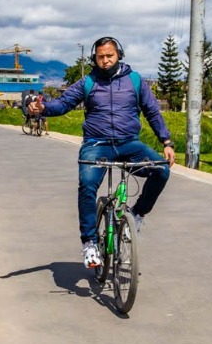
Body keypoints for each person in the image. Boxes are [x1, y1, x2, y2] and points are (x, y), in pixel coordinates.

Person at [29, 36, 175, 269]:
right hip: (96, 145)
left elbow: (153, 112)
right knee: (86, 185)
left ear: (119, 55)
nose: (105, 61)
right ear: (94, 58)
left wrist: (166, 141)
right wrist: (44, 108)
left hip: (129, 143)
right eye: (100, 57)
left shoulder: (135, 81)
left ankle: (137, 215)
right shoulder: (87, 82)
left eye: (110, 56)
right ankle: (89, 243)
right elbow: (64, 103)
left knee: (161, 171)